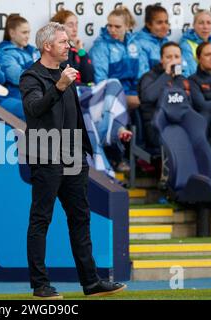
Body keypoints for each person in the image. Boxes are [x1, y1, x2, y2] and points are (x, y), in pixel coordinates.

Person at [19, 22, 126, 299]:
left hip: (73, 155)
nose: (70, 46)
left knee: (80, 218)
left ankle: (91, 283)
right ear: (47, 46)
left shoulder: (66, 73)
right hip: (46, 155)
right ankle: (40, 285)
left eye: (68, 41)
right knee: (41, 219)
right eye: (64, 42)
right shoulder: (31, 76)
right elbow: (34, 110)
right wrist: (59, 86)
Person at [51, 9, 132, 175]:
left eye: (76, 25)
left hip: (84, 93)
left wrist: (80, 50)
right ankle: (112, 139)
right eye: (70, 25)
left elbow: (88, 75)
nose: (74, 29)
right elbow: (66, 78)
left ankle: (113, 133)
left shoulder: (75, 51)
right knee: (112, 86)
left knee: (113, 88)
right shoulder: (56, 50)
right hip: (70, 95)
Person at [89, 7, 149, 110]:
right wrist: (123, 97)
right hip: (111, 96)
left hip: (135, 93)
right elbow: (101, 81)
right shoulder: (100, 46)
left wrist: (138, 93)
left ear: (127, 26)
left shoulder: (135, 44)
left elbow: (144, 74)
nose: (112, 30)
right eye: (110, 26)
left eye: (117, 26)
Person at [139, 42, 190, 149]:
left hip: (179, 124)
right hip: (157, 126)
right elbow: (148, 97)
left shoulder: (182, 79)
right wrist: (166, 74)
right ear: (161, 59)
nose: (173, 60)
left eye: (177, 57)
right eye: (168, 57)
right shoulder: (149, 77)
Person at [0, 14, 40, 100]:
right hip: (20, 96)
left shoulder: (34, 51)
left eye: (28, 32)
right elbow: (18, 78)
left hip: (39, 93)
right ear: (12, 33)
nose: (28, 36)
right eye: (24, 32)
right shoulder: (4, 54)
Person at [179, 10, 211, 77]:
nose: (205, 27)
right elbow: (192, 73)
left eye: (208, 23)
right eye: (201, 23)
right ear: (194, 25)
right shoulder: (186, 45)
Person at [136, 4, 170, 69]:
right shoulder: (139, 44)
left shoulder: (166, 42)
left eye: (166, 22)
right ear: (148, 24)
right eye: (159, 23)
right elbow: (143, 76)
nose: (164, 26)